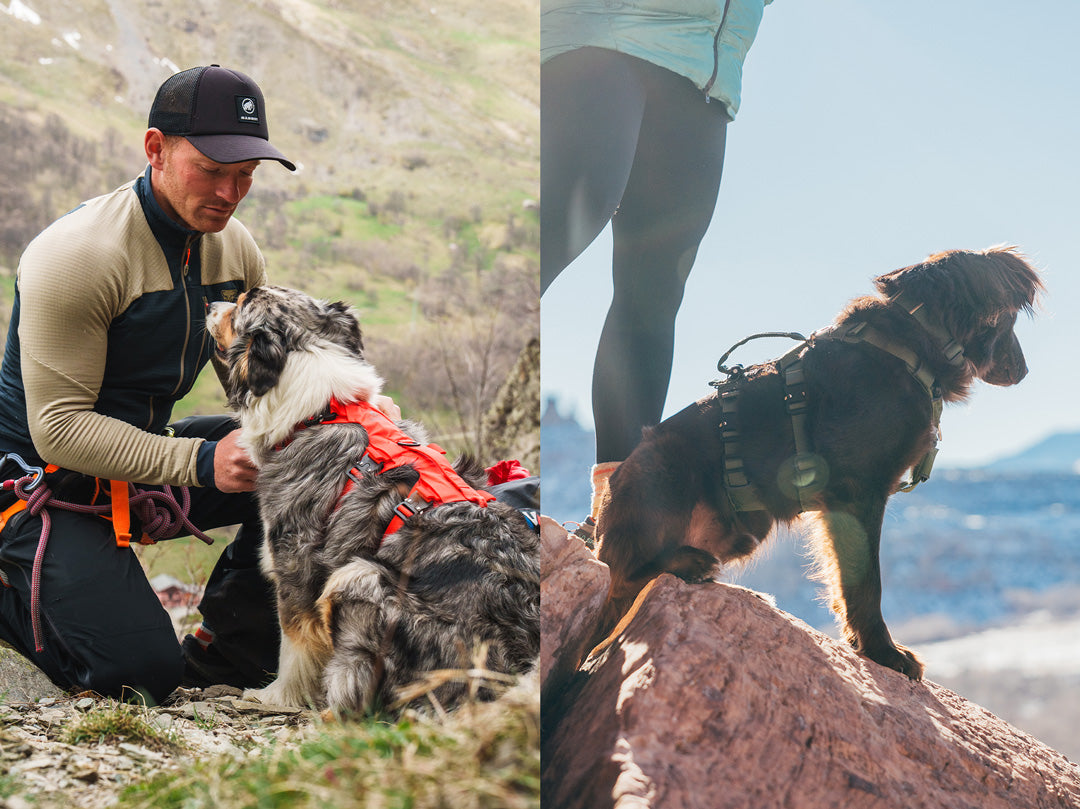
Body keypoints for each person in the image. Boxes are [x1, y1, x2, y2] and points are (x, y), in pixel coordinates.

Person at [0, 65, 297, 704]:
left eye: (246, 173)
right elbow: (59, 429)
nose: (231, 191)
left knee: (293, 460)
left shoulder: (233, 249)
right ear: (156, 148)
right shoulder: (78, 256)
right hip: (36, 482)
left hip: (132, 461)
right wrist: (198, 461)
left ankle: (229, 659)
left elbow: (254, 385)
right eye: (213, 169)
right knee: (137, 676)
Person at [541, 1, 772, 534]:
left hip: (706, 75)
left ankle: (618, 512)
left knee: (653, 293)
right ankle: (378, 410)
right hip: (604, 38)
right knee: (553, 232)